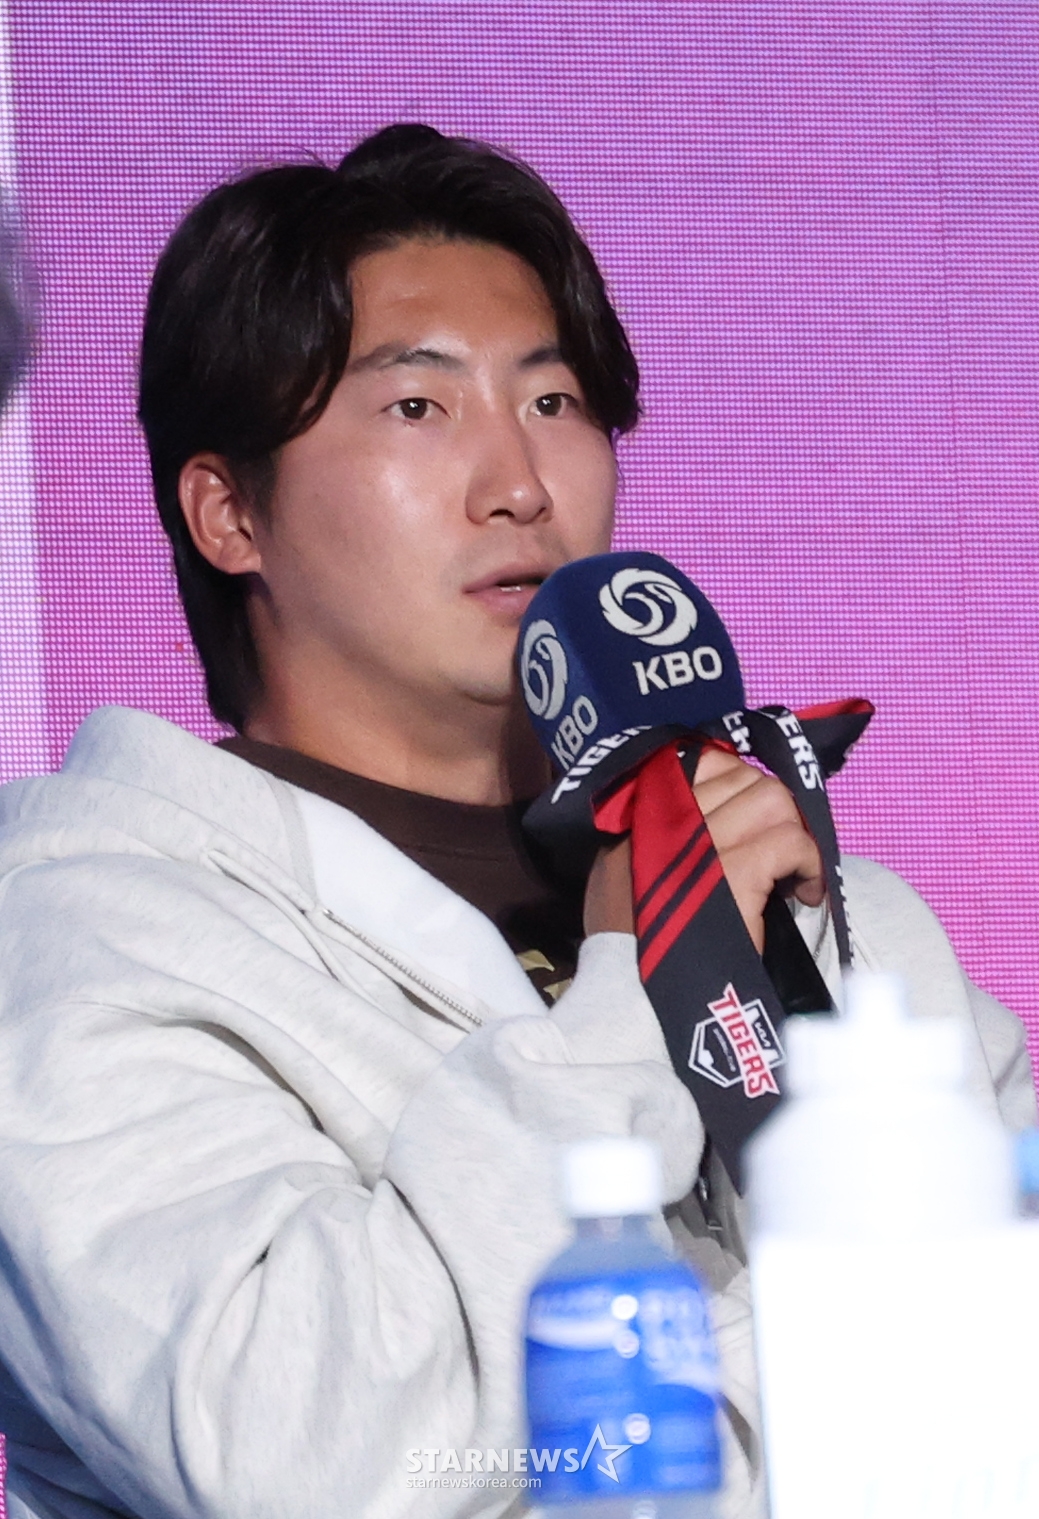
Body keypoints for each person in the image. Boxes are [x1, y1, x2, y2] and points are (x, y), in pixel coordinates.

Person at [0, 124, 1031, 1519]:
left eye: (552, 401)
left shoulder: (802, 886)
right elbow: (323, 1464)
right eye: (418, 408)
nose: (521, 484)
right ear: (228, 513)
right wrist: (637, 987)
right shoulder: (84, 932)